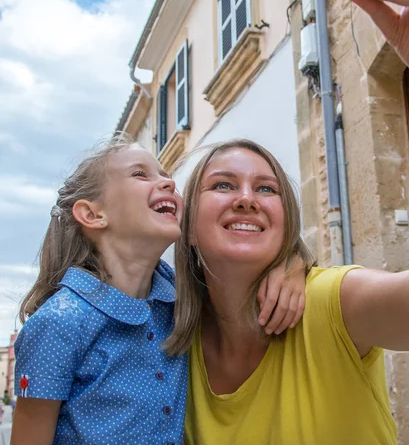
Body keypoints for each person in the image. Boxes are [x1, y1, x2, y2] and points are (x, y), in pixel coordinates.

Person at [168, 0, 409, 445]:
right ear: (186, 227)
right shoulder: (169, 351)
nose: (247, 196)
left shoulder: (331, 304)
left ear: (287, 222)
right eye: (223, 184)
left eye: (268, 189)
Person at [11, 139, 307, 445]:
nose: (168, 182)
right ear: (92, 214)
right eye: (141, 174)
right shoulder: (59, 322)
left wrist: (294, 263)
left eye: (165, 175)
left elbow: (237, 282)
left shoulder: (179, 303)